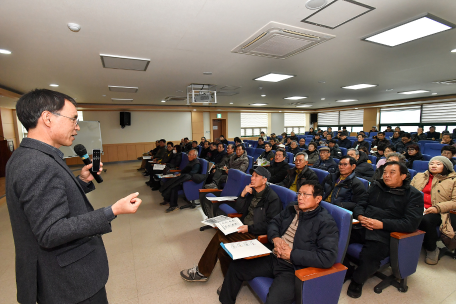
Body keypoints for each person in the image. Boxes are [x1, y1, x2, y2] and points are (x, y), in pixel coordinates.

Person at [6, 89, 142, 304]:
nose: (77, 127)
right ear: (48, 118)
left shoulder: (30, 155)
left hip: (60, 275)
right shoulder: (37, 163)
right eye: (73, 119)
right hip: (69, 281)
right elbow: (51, 231)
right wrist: (111, 211)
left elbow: (49, 201)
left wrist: (83, 181)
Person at [219, 180, 339, 304]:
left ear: (318, 198)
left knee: (274, 301)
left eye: (305, 194)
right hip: (273, 254)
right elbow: (273, 223)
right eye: (299, 193)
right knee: (236, 266)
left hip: (293, 268)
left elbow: (327, 257)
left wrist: (292, 254)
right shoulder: (292, 208)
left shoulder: (326, 223)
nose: (300, 197)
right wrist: (275, 239)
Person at [181, 168, 281, 286]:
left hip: (257, 235)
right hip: (244, 228)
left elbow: (271, 225)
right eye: (252, 175)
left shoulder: (272, 199)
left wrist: (249, 228)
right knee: (222, 247)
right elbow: (239, 210)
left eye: (256, 176)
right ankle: (229, 282)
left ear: (264, 180)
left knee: (220, 237)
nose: (252, 178)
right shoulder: (251, 191)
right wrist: (243, 195)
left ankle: (202, 272)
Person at [344, 161, 423, 298]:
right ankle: (348, 270)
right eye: (385, 172)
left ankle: (357, 281)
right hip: (363, 224)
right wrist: (361, 216)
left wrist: (381, 224)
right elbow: (361, 203)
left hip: (385, 231)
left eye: (392, 172)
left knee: (371, 255)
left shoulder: (413, 195)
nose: (386, 176)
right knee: (335, 238)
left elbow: (411, 223)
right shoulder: (376, 186)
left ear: (403, 176)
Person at [411, 156, 456, 265]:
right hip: (418, 207)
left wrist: (437, 208)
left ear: (446, 166)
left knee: (425, 220)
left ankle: (432, 249)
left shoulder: (453, 180)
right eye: (432, 163)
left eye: (438, 164)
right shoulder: (420, 176)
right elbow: (409, 192)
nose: (433, 166)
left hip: (441, 211)